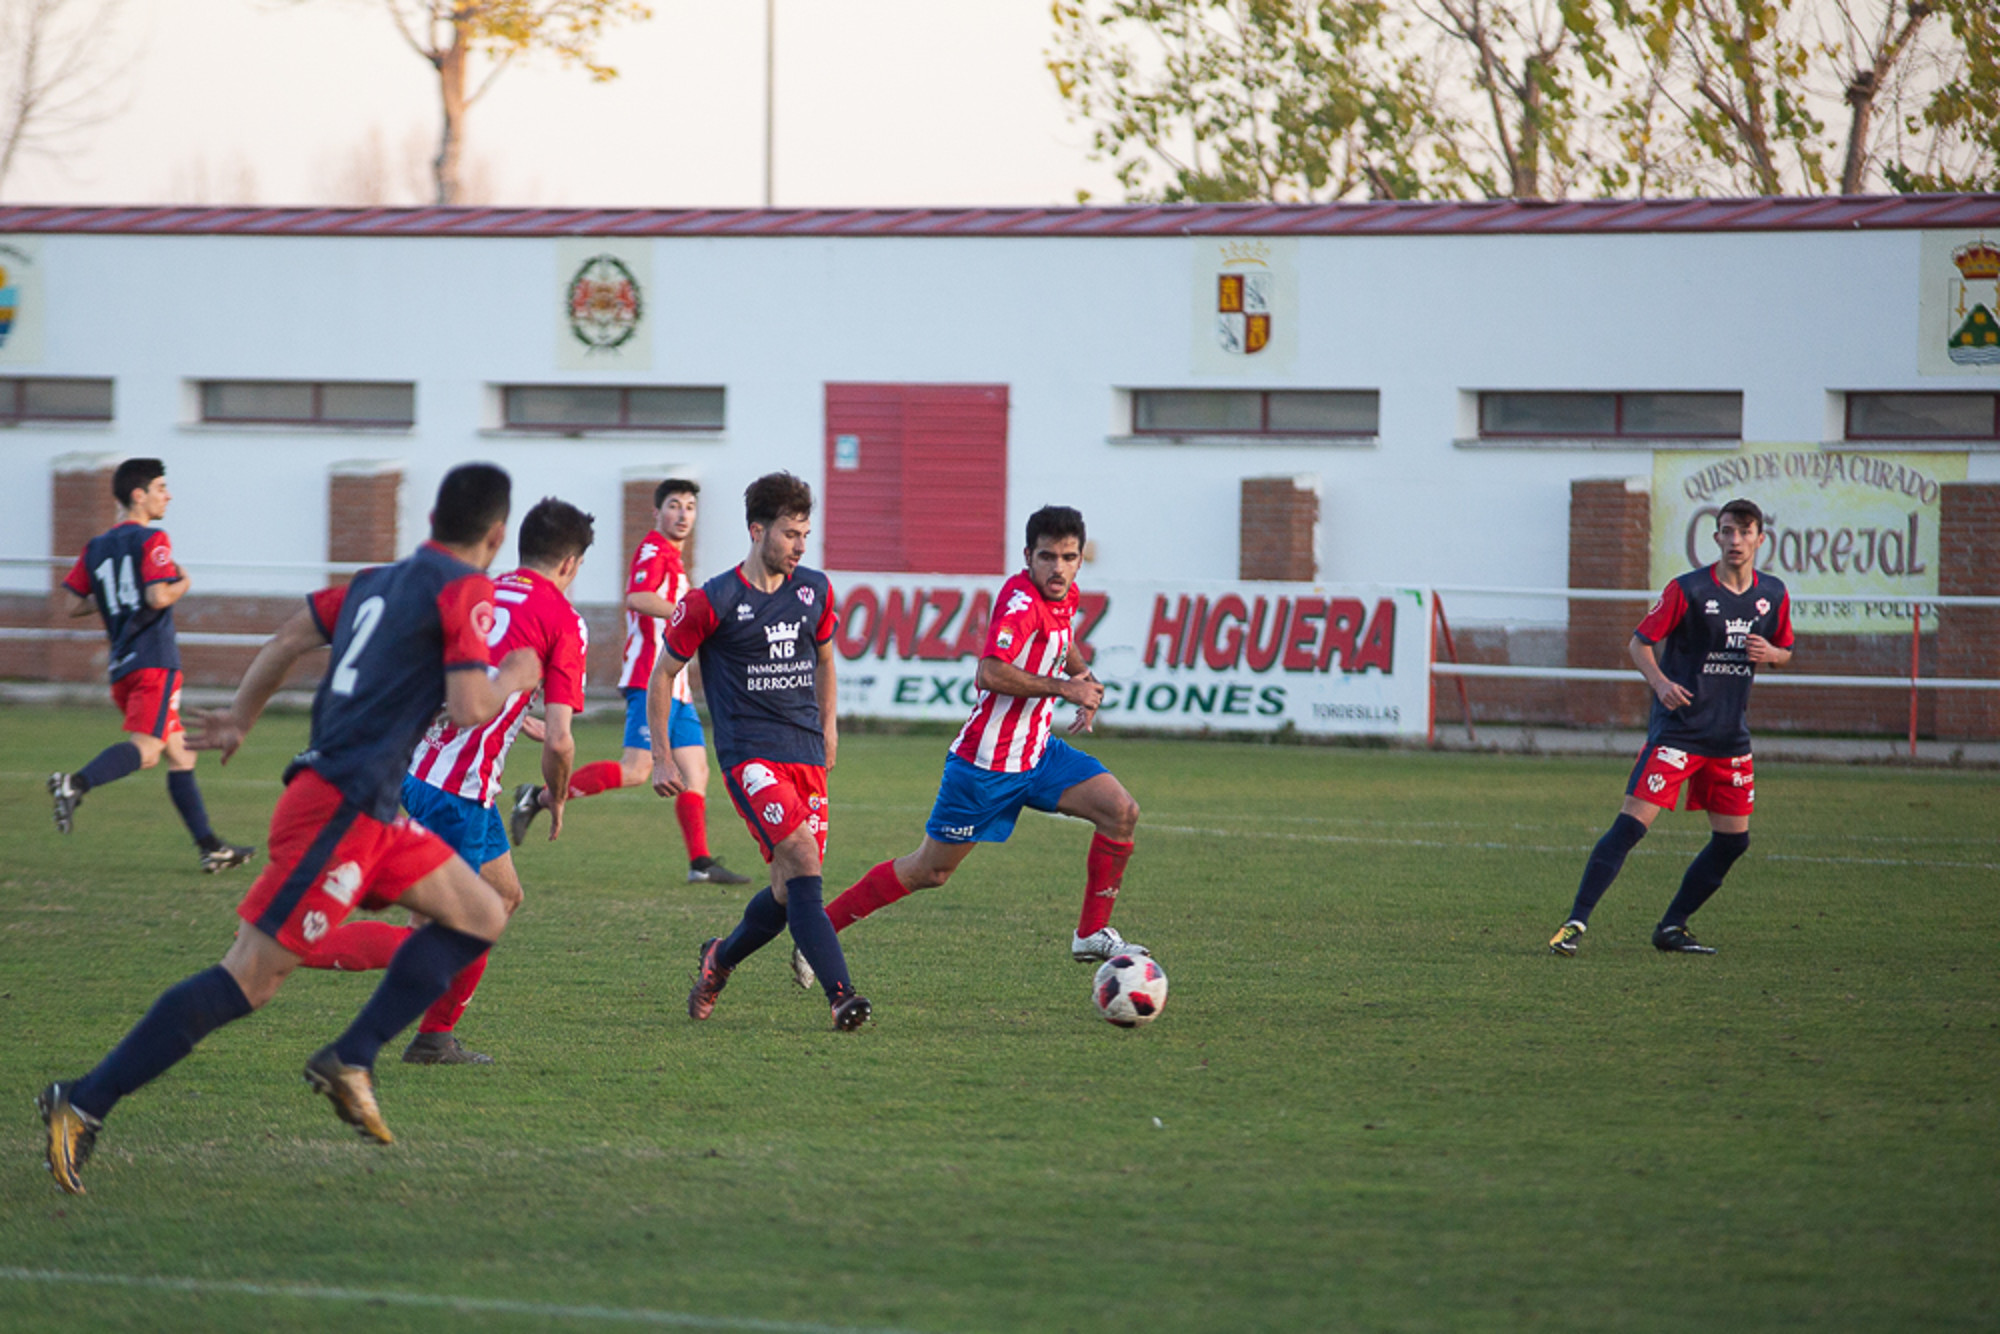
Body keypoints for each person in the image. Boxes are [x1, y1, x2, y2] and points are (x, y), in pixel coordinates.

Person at [37, 463, 542, 1195]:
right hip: (339, 808)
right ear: (497, 535)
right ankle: (83, 1099)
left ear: (433, 519)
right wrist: (516, 676)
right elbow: (470, 706)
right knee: (248, 977)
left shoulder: (375, 580)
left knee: (482, 913)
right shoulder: (462, 589)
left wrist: (241, 714)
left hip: (374, 808)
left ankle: (353, 1054)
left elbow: (284, 640)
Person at [296, 497, 594, 1066]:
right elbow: (561, 739)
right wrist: (557, 793)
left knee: (502, 898)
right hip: (456, 794)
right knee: (442, 931)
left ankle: (434, 1036)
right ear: (571, 564)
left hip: (425, 774)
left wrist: (509, 718)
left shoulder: (475, 590)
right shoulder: (562, 619)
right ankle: (289, 940)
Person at [820, 505, 1146, 965]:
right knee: (929, 871)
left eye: (1068, 558)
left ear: (1078, 559)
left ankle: (1091, 933)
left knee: (1121, 811)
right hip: (986, 766)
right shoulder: (1020, 602)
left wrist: (1084, 678)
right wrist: (1064, 687)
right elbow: (990, 672)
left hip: (1038, 756)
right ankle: (822, 929)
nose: (1058, 568)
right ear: (1028, 556)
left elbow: (1061, 637)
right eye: (1048, 557)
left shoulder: (1063, 596)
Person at [650, 471, 869, 1030]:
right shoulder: (713, 600)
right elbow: (663, 673)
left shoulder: (813, 589)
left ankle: (718, 960)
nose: (800, 546)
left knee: (784, 889)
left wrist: (830, 729)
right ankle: (842, 995)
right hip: (749, 754)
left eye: (805, 536)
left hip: (806, 752)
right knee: (801, 858)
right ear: (757, 530)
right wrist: (662, 756)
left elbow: (824, 661)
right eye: (791, 534)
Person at [1549, 498, 1793, 958]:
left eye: (1745, 531)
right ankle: (1575, 923)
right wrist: (1660, 683)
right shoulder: (1689, 590)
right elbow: (1640, 643)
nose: (1735, 540)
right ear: (1716, 538)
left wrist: (1774, 655)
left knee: (1733, 841)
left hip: (1729, 738)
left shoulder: (1774, 594)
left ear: (1761, 538)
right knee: (1630, 827)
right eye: (1727, 531)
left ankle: (1672, 926)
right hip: (1679, 732)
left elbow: (1785, 649)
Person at [509, 478, 749, 885]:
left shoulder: (674, 560)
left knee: (696, 772)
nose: (683, 513)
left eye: (690, 506)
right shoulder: (654, 549)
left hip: (679, 689)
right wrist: (688, 617)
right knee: (637, 769)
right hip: (649, 678)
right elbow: (638, 596)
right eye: (674, 505)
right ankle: (539, 796)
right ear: (657, 513)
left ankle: (700, 863)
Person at [48, 457, 253, 872]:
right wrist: (184, 584)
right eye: (161, 487)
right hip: (154, 662)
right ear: (138, 496)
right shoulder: (153, 538)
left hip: (122, 664)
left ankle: (211, 847)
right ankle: (75, 784)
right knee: (146, 752)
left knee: (182, 756)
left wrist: (113, 601)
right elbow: (159, 597)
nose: (168, 495)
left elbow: (72, 605)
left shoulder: (96, 547)